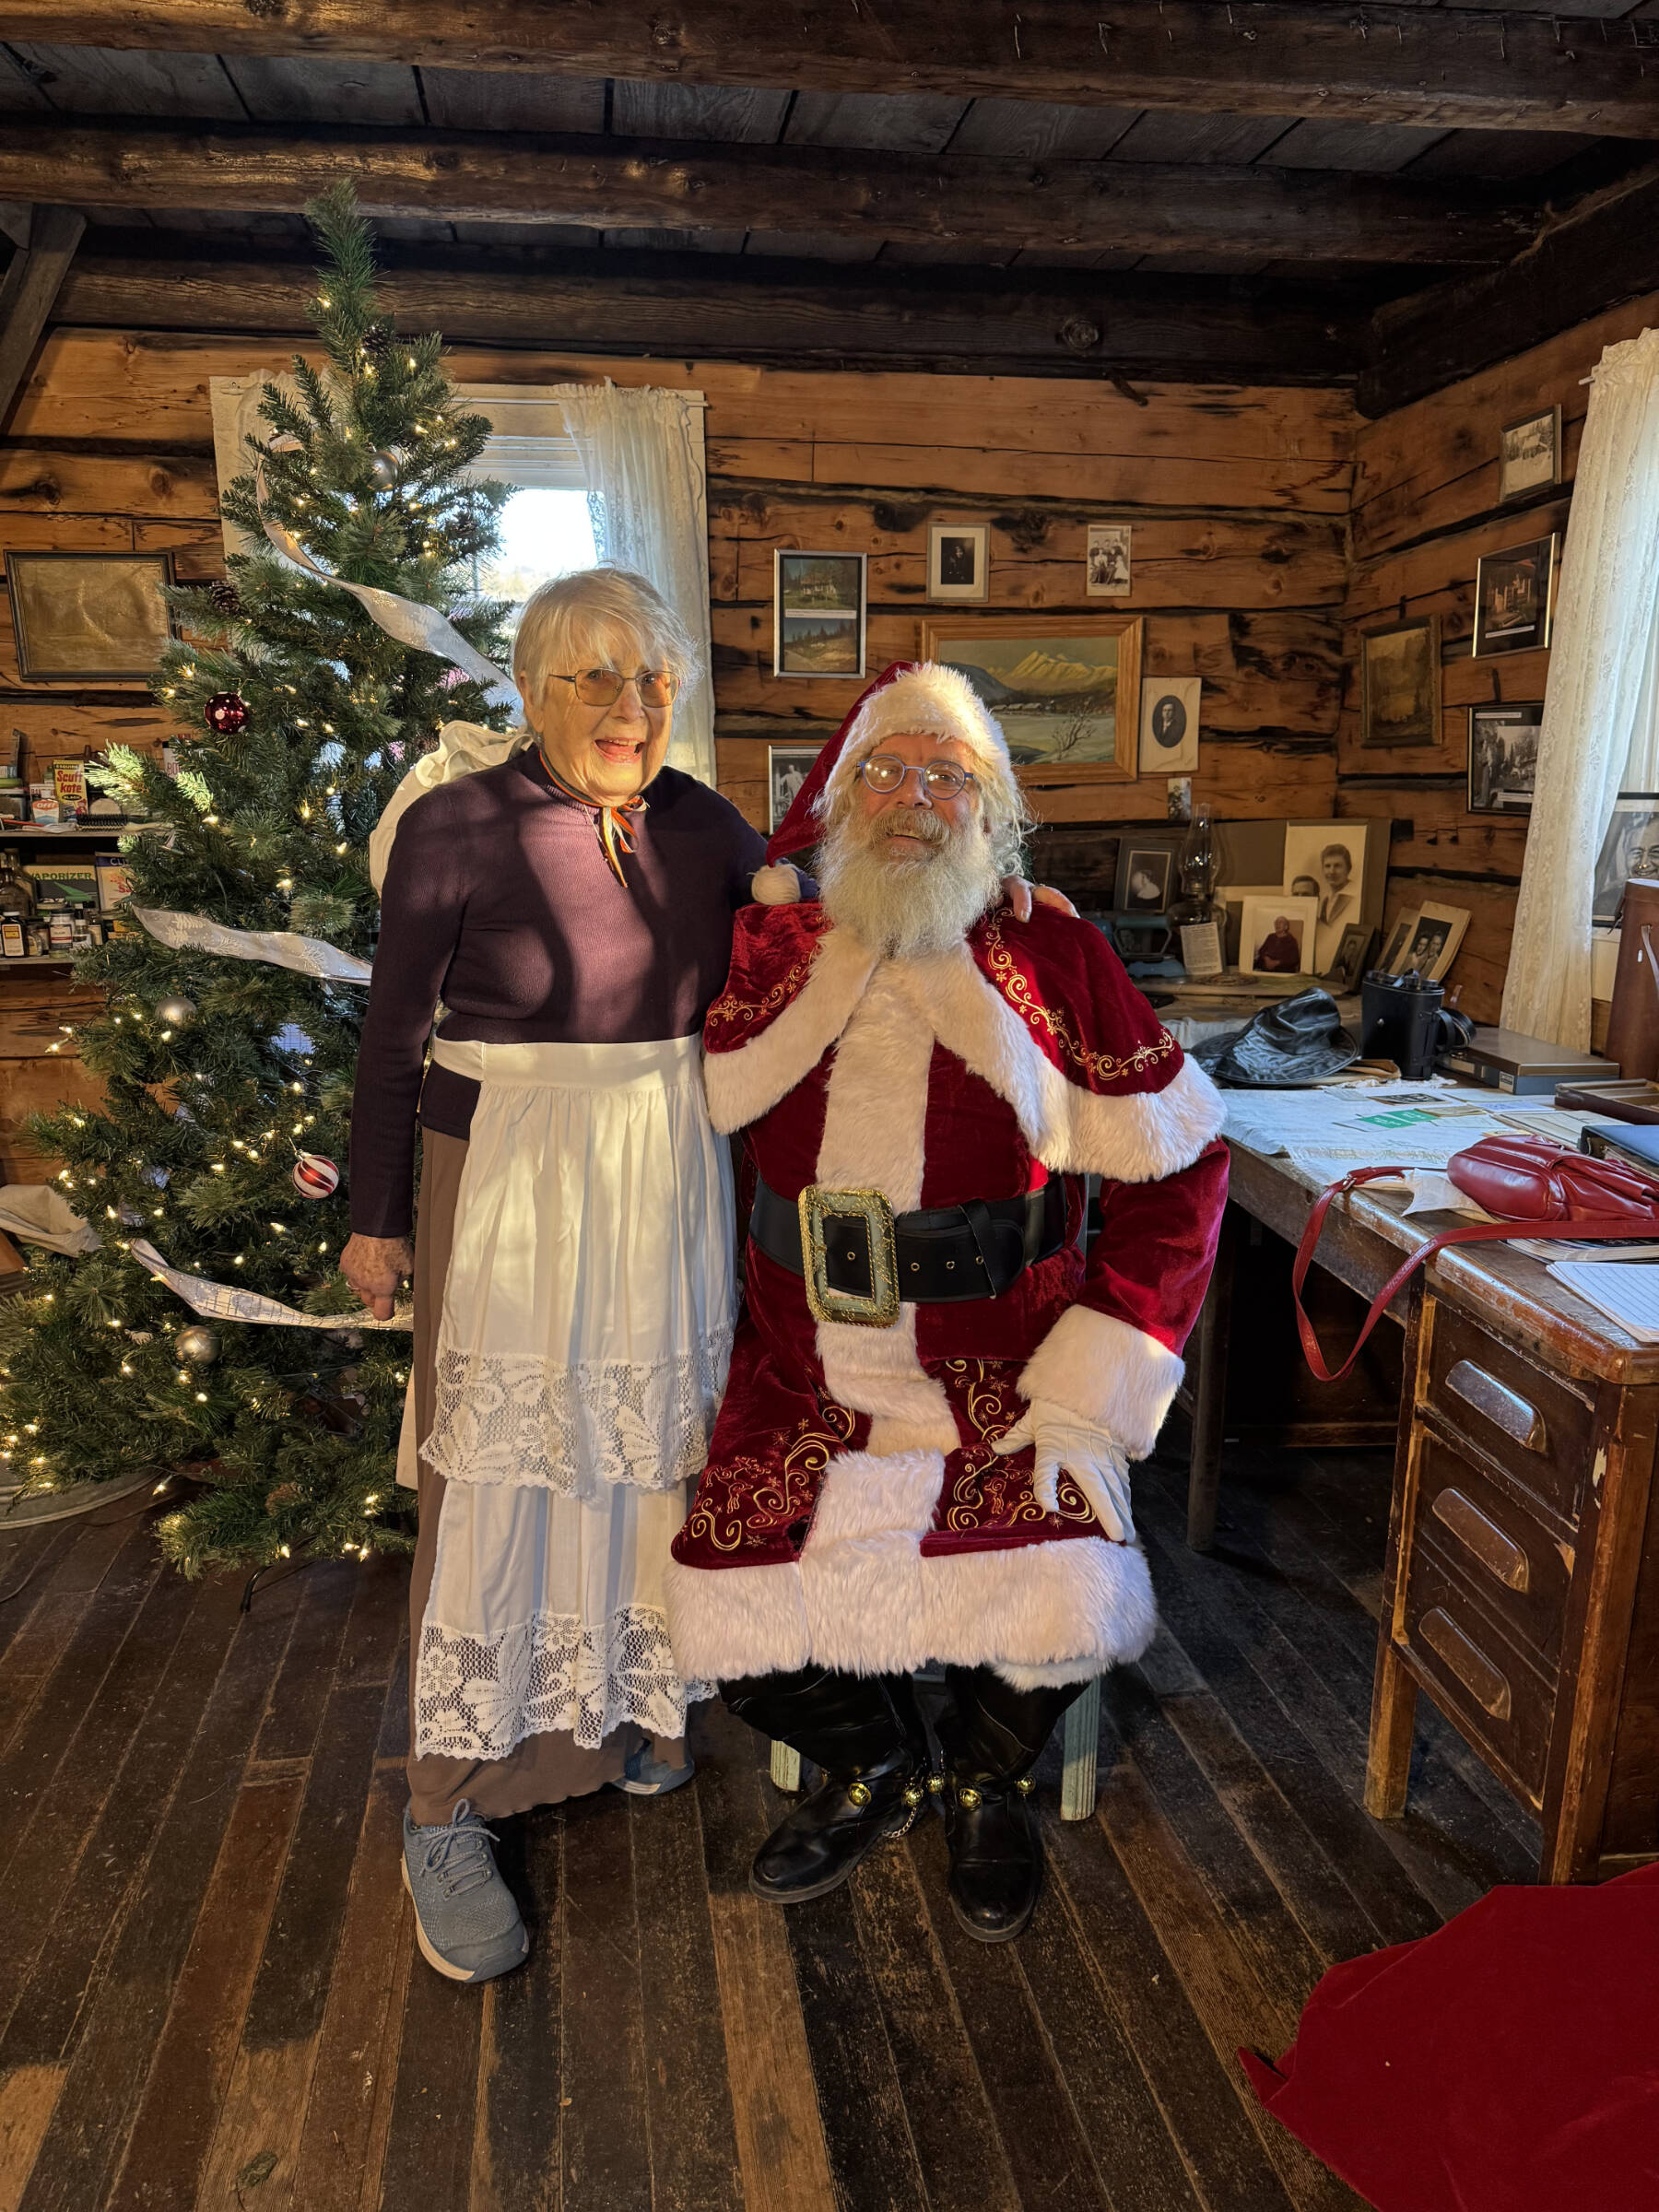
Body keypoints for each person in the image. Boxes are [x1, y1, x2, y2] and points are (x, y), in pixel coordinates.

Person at [343, 595, 1069, 1986]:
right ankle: (449, 1804)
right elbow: (390, 1039)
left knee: (657, 1459)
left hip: (669, 1175)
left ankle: (628, 1719)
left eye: (655, 682)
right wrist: (375, 1221)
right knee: (497, 1477)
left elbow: (846, 887)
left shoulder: (702, 823)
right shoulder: (456, 824)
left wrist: (1007, 895)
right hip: (510, 1176)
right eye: (596, 678)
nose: (631, 708)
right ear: (531, 687)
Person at [664, 662, 1228, 1943]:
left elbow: (1184, 1166)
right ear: (837, 798)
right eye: (885, 770)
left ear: (992, 815)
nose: (913, 799)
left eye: (948, 777)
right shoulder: (763, 952)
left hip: (1009, 1371)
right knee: (713, 1593)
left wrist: (1098, 1370)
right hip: (802, 1375)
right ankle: (878, 1765)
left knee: (1065, 1595)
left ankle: (984, 1780)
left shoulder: (1055, 955)